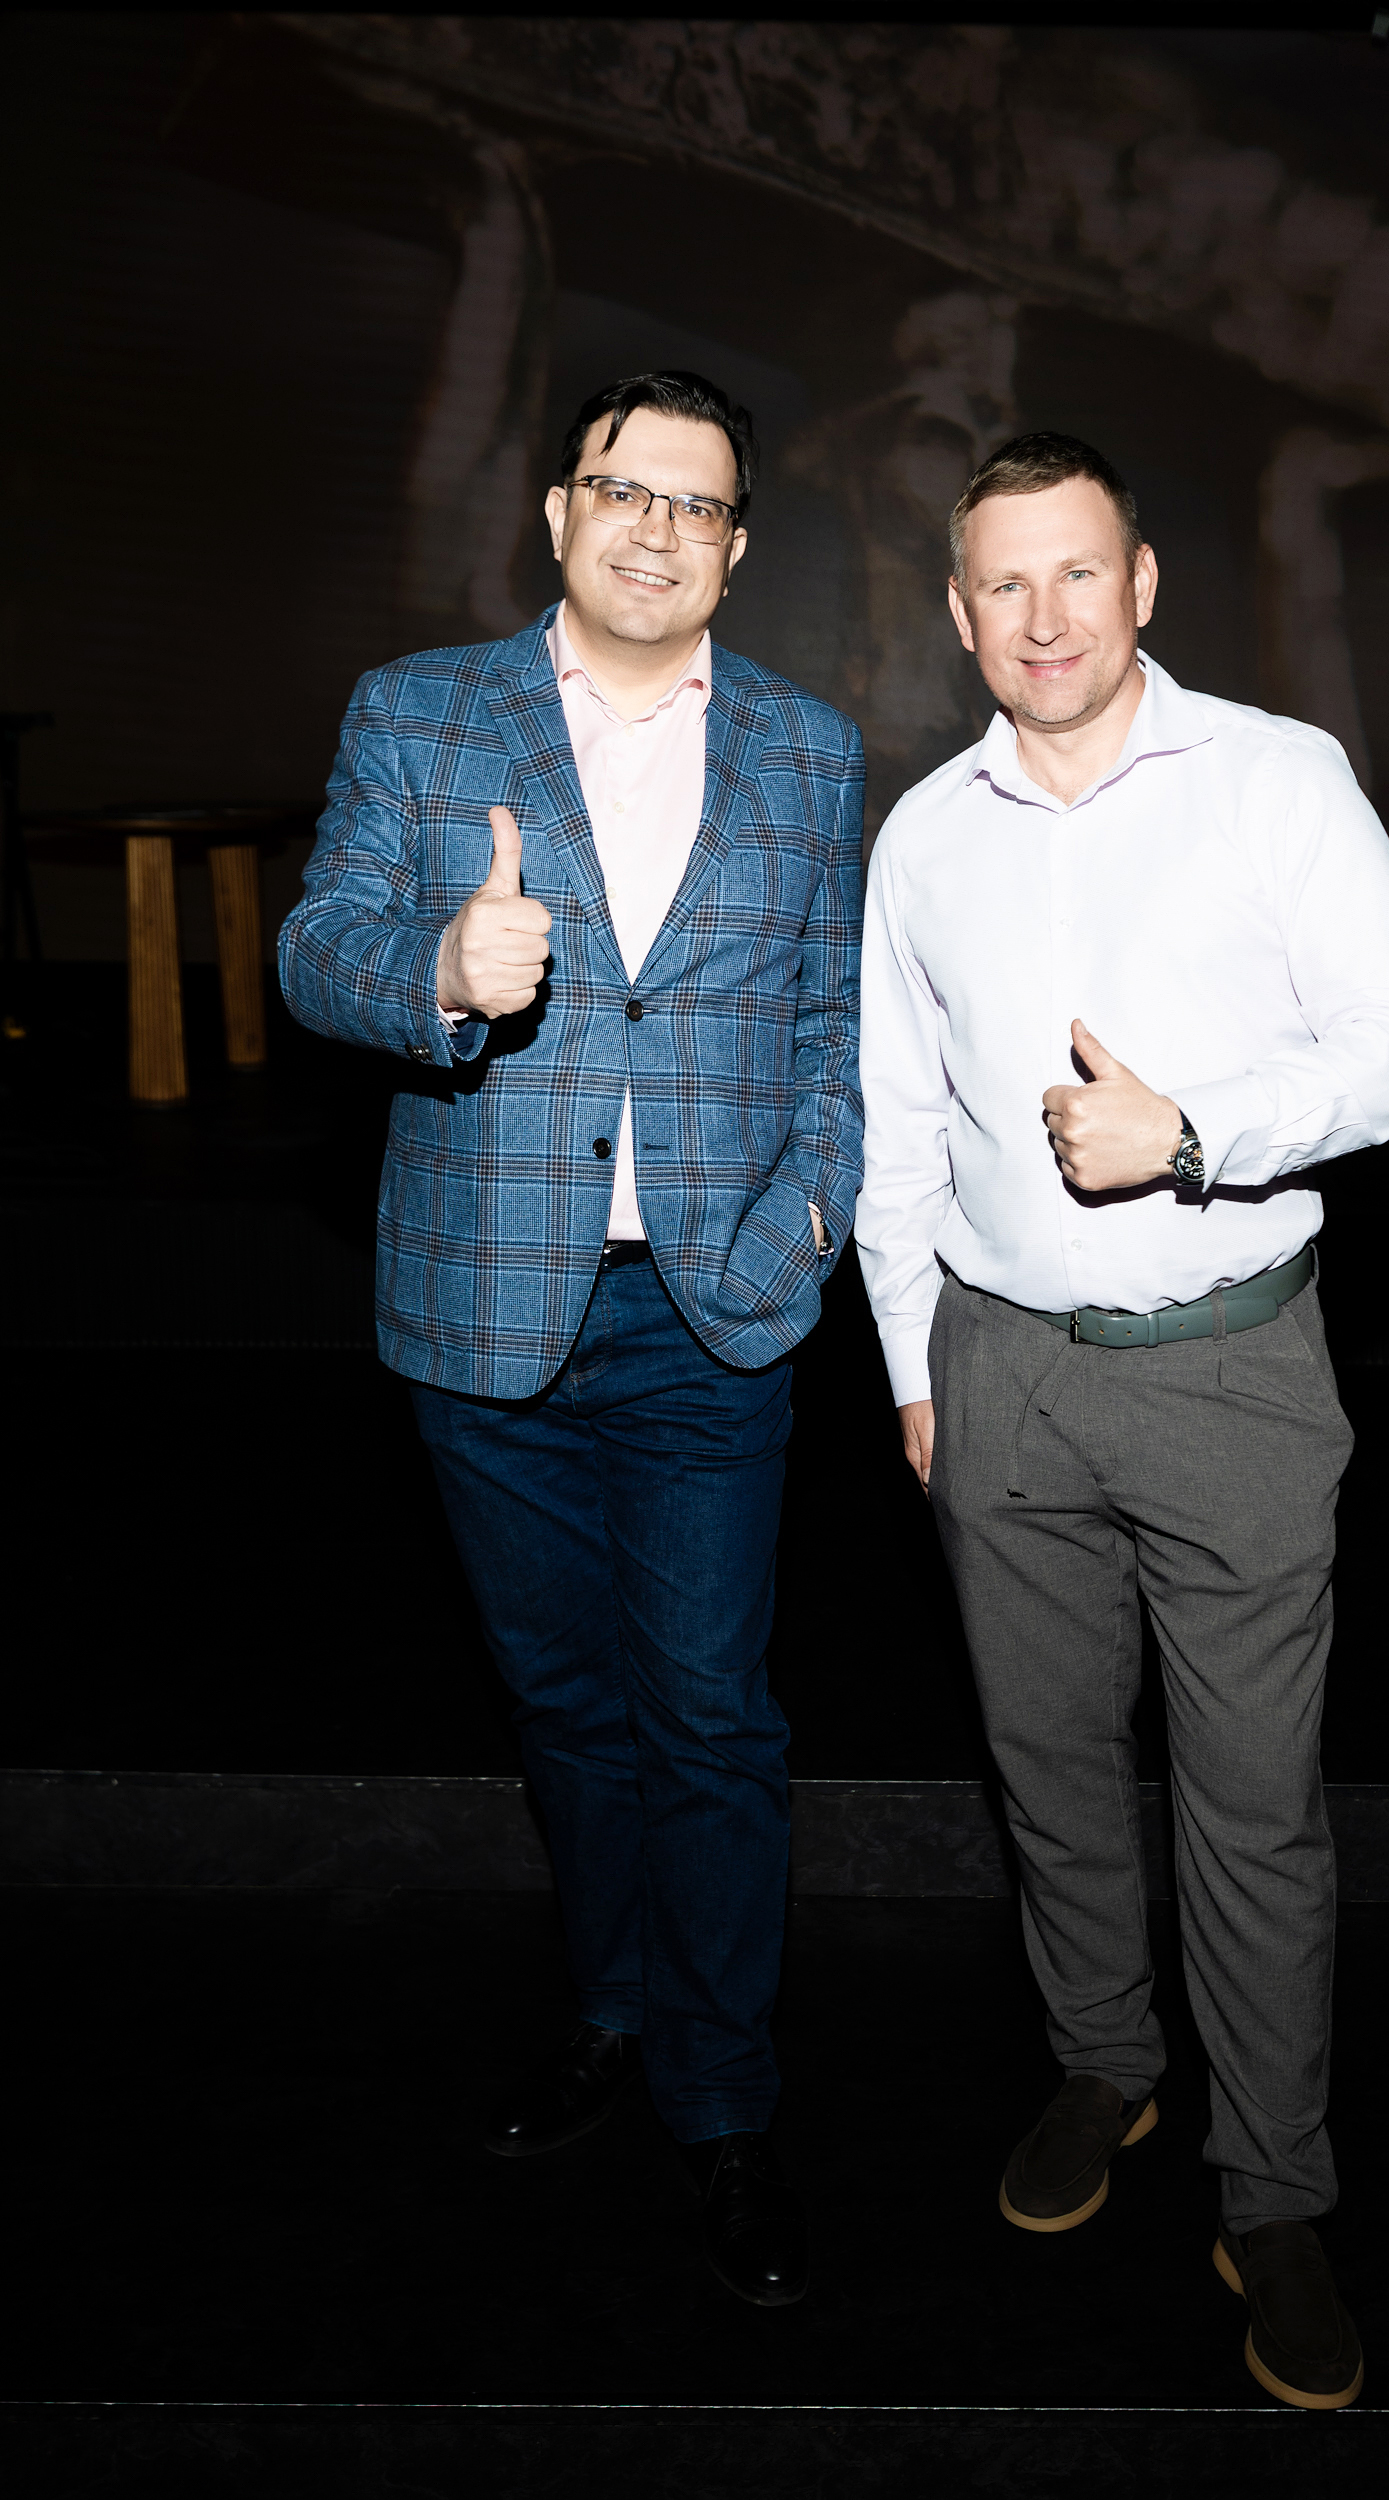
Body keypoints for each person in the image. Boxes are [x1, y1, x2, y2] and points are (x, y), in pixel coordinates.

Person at [854, 431, 1389, 2406]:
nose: (1041, 616)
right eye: (1001, 584)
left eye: (1075, 572)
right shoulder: (923, 837)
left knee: (1252, 1811)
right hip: (1001, 1374)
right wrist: (918, 1369)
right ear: (962, 615)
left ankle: (1271, 2188)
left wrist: (1193, 1132)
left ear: (1140, 585)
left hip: (1229, 1374)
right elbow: (897, 1128)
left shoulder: (1277, 780)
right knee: (1046, 1770)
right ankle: (1103, 2062)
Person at [280, 370, 865, 2309]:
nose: (655, 529)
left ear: (739, 548)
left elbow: (836, 1026)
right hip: (486, 1304)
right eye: (624, 489)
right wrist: (440, 969)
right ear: (558, 512)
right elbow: (317, 945)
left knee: (712, 1717)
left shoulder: (809, 747)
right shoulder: (420, 709)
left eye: (697, 506)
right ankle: (612, 2006)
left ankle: (725, 2094)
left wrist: (808, 1215)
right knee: (566, 1706)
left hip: (712, 1312)